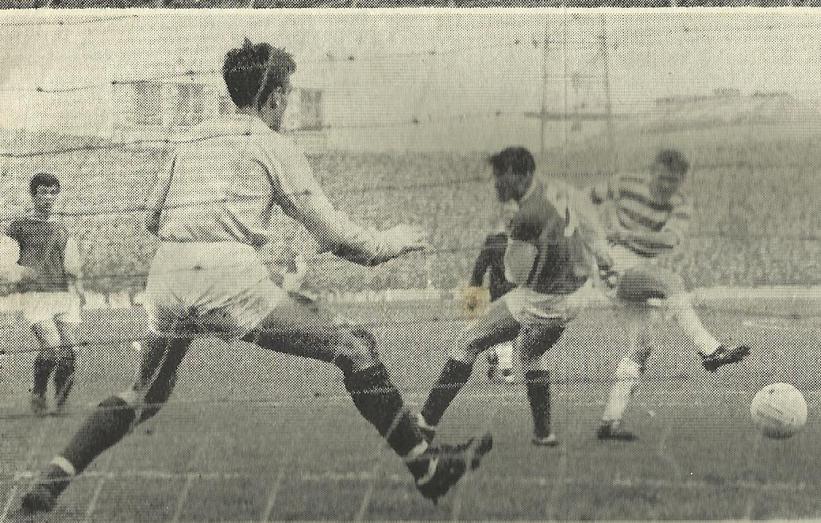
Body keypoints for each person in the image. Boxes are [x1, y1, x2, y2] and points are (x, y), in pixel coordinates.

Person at [21, 39, 491, 513]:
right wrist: (392, 240)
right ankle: (427, 470)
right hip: (228, 278)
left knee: (144, 394)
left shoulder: (192, 137)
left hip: (167, 275)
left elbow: (151, 218)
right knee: (355, 347)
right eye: (287, 94)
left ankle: (53, 478)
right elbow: (340, 238)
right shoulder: (273, 145)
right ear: (276, 96)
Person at [416, 146, 604, 448]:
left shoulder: (526, 216)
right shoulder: (557, 191)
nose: (496, 185)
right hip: (576, 295)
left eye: (501, 177)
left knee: (467, 341)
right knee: (530, 353)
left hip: (543, 299)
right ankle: (543, 434)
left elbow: (515, 274)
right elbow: (587, 223)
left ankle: (424, 425)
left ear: (522, 175)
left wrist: (511, 243)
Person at [593, 149, 751, 440]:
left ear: (682, 181)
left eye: (673, 181)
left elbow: (669, 240)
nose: (666, 185)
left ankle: (610, 421)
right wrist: (594, 231)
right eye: (662, 178)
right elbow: (584, 200)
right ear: (651, 171)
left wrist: (627, 234)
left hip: (639, 265)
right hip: (613, 262)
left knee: (642, 347)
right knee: (671, 281)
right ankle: (710, 350)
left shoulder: (681, 205)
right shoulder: (624, 183)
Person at [3, 172, 85, 416]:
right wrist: (18, 271)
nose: (48, 198)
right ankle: (38, 394)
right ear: (33, 195)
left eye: (52, 193)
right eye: (43, 193)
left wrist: (78, 289)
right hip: (35, 296)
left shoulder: (62, 229)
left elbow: (72, 267)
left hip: (62, 295)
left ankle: (60, 403)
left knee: (70, 351)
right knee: (51, 346)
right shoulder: (18, 227)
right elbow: (5, 258)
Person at [464, 225, 516, 384]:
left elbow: (478, 271)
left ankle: (494, 353)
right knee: (509, 330)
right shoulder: (524, 241)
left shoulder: (493, 242)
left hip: (498, 293)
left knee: (505, 329)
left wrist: (472, 296)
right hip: (515, 293)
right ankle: (506, 370)